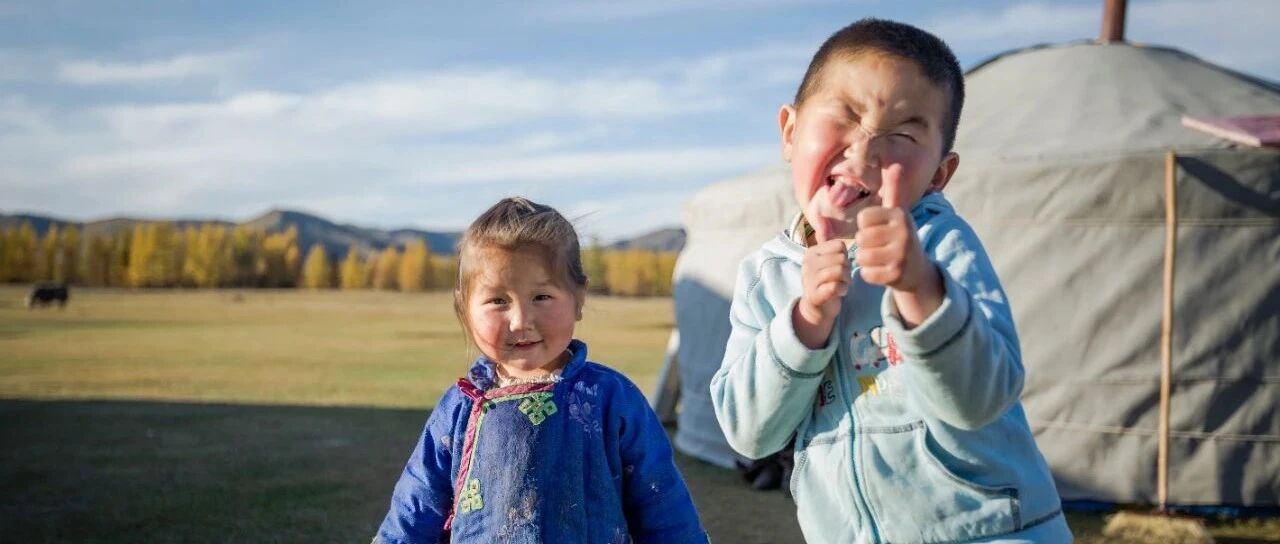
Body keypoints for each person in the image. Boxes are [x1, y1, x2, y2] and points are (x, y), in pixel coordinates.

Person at [710, 18, 1072, 543]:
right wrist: (805, 321)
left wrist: (919, 288)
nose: (865, 151)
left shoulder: (941, 246)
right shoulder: (766, 278)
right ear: (791, 132)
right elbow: (751, 434)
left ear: (939, 174)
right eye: (846, 116)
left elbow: (980, 400)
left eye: (903, 134)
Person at [375, 197, 707, 543]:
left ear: (579, 298)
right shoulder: (460, 407)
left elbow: (664, 507)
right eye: (498, 301)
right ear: (465, 308)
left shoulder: (612, 399)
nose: (520, 321)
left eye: (542, 297)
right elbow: (416, 507)